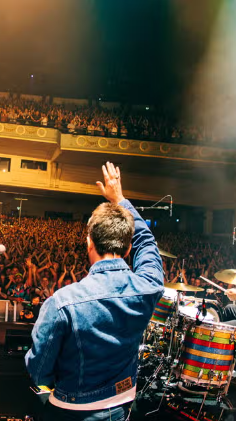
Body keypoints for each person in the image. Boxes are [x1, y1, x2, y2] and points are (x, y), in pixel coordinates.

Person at [25, 163, 163, 421]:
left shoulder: (61, 303)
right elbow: (148, 243)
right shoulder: (147, 288)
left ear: (89, 241)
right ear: (127, 248)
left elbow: (38, 370)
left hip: (68, 409)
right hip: (119, 408)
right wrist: (120, 199)